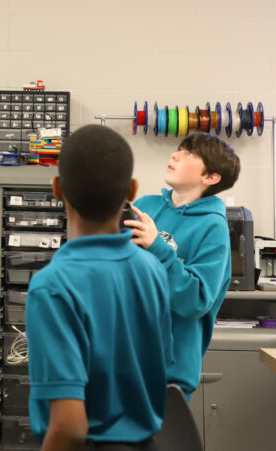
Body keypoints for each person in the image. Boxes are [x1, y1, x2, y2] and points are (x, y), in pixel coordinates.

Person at [25, 125, 173, 451]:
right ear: (132, 190)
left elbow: (69, 428)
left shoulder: (51, 286)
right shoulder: (153, 270)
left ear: (57, 188)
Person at [125, 131, 240, 400]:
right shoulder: (145, 207)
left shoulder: (213, 226)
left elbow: (196, 300)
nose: (175, 155)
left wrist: (157, 248)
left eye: (189, 153)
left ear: (210, 177)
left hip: (167, 374)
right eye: (178, 149)